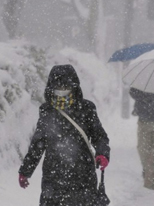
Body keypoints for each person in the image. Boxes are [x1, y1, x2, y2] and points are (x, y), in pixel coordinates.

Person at [18, 64, 110, 206]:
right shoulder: (47, 110)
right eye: (58, 88)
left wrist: (102, 153)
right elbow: (38, 143)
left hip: (83, 176)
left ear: (74, 87)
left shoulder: (86, 109)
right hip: (53, 178)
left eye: (65, 88)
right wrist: (26, 170)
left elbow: (99, 136)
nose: (62, 92)